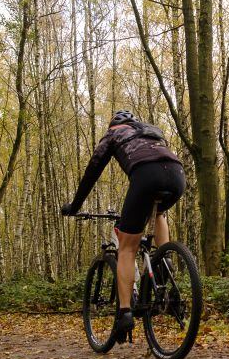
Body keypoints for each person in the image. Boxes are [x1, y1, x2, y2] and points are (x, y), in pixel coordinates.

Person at [61, 110, 186, 341]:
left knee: (127, 248)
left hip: (146, 176)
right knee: (159, 212)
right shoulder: (150, 131)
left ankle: (125, 313)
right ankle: (163, 260)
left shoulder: (113, 134)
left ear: (114, 124)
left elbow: (92, 171)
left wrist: (75, 206)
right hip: (177, 175)